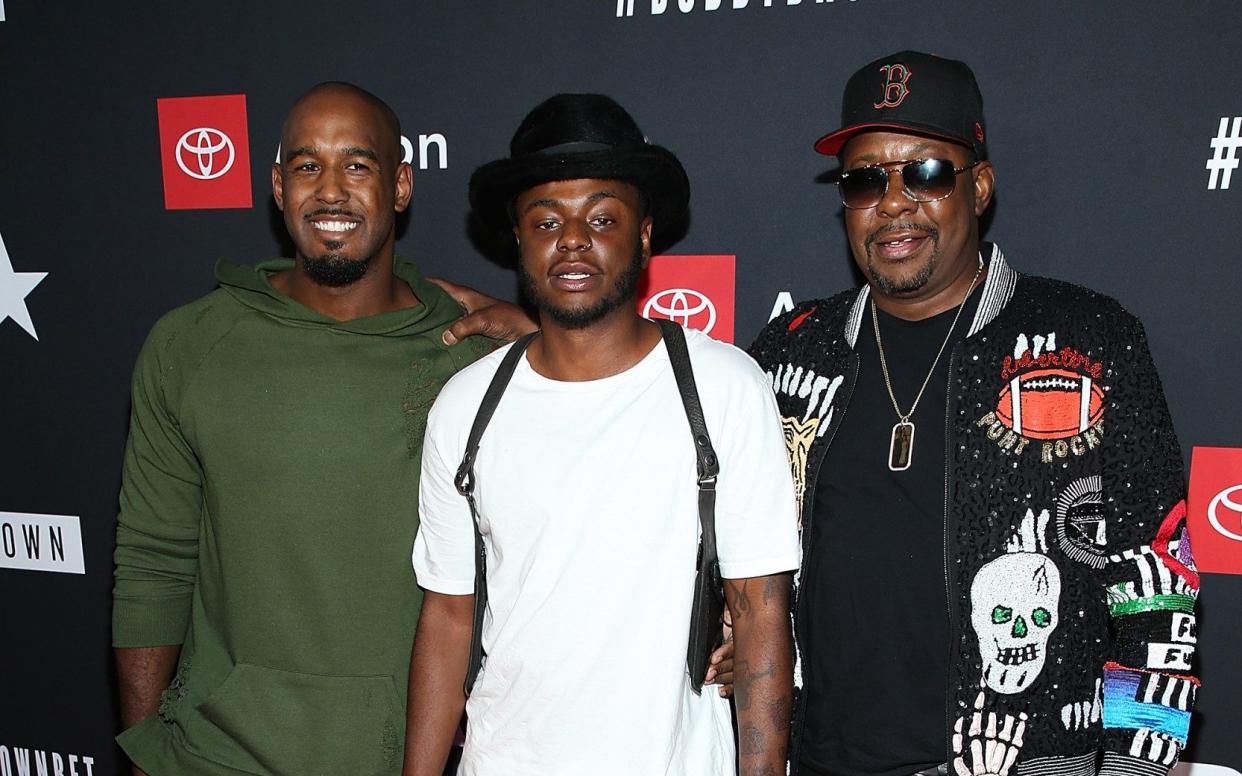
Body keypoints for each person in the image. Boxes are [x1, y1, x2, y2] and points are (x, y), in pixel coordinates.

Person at [747, 52, 1199, 776]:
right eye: (866, 179)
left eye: (924, 172)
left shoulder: (1091, 337)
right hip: (822, 759)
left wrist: (1139, 765)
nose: (893, 201)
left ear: (979, 187)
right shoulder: (794, 351)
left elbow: (1159, 584)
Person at [111, 81, 533, 776]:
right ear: (278, 187)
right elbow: (153, 563)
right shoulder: (190, 344)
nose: (330, 191)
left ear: (400, 185)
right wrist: (146, 757)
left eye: (357, 166)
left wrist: (535, 334)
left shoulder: (473, 354)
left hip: (403, 756)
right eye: (307, 166)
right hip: (214, 754)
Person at [403, 93, 800, 776]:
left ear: (644, 235)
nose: (573, 240)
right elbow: (446, 618)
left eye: (602, 217)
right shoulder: (464, 407)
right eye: (547, 219)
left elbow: (761, 610)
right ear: (519, 239)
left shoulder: (725, 389)